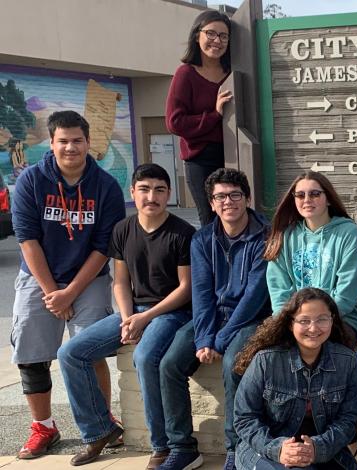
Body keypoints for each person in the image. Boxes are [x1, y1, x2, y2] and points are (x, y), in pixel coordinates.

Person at [58, 163, 196, 468]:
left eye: (160, 190)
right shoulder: (123, 229)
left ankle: (161, 445)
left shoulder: (182, 232)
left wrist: (144, 319)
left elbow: (186, 289)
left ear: (169, 194)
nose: (152, 196)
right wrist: (126, 317)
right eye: (144, 189)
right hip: (133, 311)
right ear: (132, 192)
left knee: (145, 357)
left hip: (171, 313)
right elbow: (120, 281)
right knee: (71, 352)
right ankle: (99, 431)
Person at [10, 111, 125, 460]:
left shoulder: (106, 186)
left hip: (86, 277)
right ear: (52, 143)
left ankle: (103, 421)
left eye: (77, 140)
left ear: (88, 143)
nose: (70, 147)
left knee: (87, 346)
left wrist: (71, 292)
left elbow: (104, 246)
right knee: (30, 352)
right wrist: (52, 293)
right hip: (39, 275)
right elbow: (27, 240)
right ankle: (44, 426)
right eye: (63, 141)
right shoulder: (30, 181)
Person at [159, 168, 272, 470]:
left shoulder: (266, 236)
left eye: (235, 195)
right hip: (212, 318)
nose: (228, 202)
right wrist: (205, 338)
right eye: (220, 196)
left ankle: (236, 448)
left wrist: (219, 341)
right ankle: (182, 447)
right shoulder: (202, 239)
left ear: (247, 199)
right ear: (211, 203)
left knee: (233, 362)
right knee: (170, 364)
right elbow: (202, 293)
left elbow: (254, 298)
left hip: (252, 318)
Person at [233, 288, 357, 470]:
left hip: (322, 451)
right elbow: (244, 418)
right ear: (290, 323)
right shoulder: (266, 360)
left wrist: (317, 448)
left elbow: (349, 420)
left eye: (322, 319)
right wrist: (278, 449)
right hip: (264, 448)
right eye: (304, 321)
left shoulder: (347, 361)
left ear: (332, 320)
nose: (313, 328)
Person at [265, 171, 357, 339]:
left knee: (317, 353)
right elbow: (279, 291)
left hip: (339, 320)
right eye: (300, 195)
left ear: (328, 198)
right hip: (295, 321)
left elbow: (345, 295)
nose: (306, 200)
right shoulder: (285, 236)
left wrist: (317, 322)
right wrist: (291, 323)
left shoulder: (349, 234)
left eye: (314, 194)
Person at [166, 10, 233, 227]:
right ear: (197, 35)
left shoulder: (235, 72)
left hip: (237, 155)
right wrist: (214, 115)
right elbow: (174, 122)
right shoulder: (185, 73)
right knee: (211, 219)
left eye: (223, 36)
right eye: (211, 34)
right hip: (201, 159)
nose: (217, 41)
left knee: (237, 217)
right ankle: (211, 261)